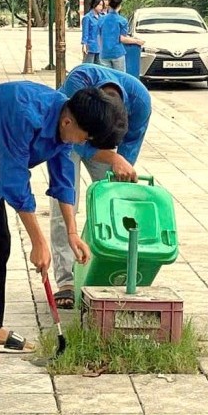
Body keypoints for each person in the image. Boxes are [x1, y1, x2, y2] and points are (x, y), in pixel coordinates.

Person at [0, 81, 129, 366]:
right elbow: (15, 183)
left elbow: (63, 179)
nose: (82, 144)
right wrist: (39, 243)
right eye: (84, 137)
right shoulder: (24, 114)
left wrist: (72, 234)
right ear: (67, 121)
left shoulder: (66, 126)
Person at [50, 63, 152, 308]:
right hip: (68, 138)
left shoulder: (140, 102)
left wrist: (120, 169)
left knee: (114, 202)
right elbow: (73, 139)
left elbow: (127, 152)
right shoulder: (79, 81)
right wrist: (112, 157)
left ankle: (111, 268)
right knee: (65, 204)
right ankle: (66, 280)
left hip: (106, 147)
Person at [97, 0, 143, 72]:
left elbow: (98, 36)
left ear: (108, 4)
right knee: (120, 77)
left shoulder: (101, 19)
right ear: (119, 6)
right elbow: (122, 39)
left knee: (107, 78)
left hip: (104, 53)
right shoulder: (122, 20)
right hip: (117, 53)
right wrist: (137, 41)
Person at [81, 0, 104, 64]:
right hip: (90, 46)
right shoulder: (88, 17)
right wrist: (84, 44)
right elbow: (85, 32)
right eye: (99, 5)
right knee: (89, 65)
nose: (101, 7)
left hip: (100, 46)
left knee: (99, 67)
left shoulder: (101, 17)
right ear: (95, 4)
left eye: (102, 5)